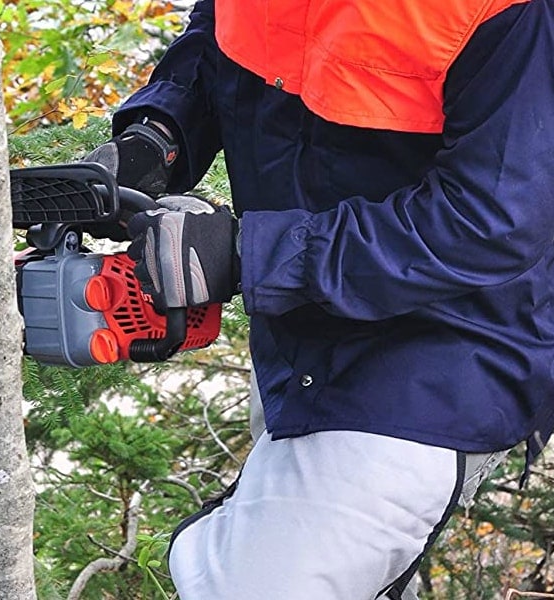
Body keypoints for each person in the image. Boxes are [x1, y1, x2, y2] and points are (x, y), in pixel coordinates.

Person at [85, 1, 554, 597]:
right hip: (297, 336)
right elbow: (218, 46)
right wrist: (157, 136)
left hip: (448, 353)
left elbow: (492, 219)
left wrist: (250, 255)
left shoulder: (513, 12)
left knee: (253, 586)